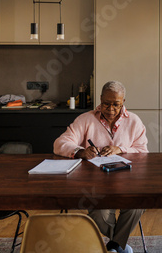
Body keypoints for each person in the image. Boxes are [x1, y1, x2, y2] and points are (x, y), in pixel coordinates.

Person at [54, 80, 148, 253]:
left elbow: (142, 152)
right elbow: (60, 143)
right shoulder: (86, 119)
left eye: (116, 105)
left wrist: (120, 149)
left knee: (137, 204)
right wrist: (80, 151)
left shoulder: (134, 121)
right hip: (94, 185)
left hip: (127, 182)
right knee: (99, 214)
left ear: (123, 102)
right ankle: (119, 244)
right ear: (100, 99)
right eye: (106, 104)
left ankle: (113, 246)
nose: (111, 109)